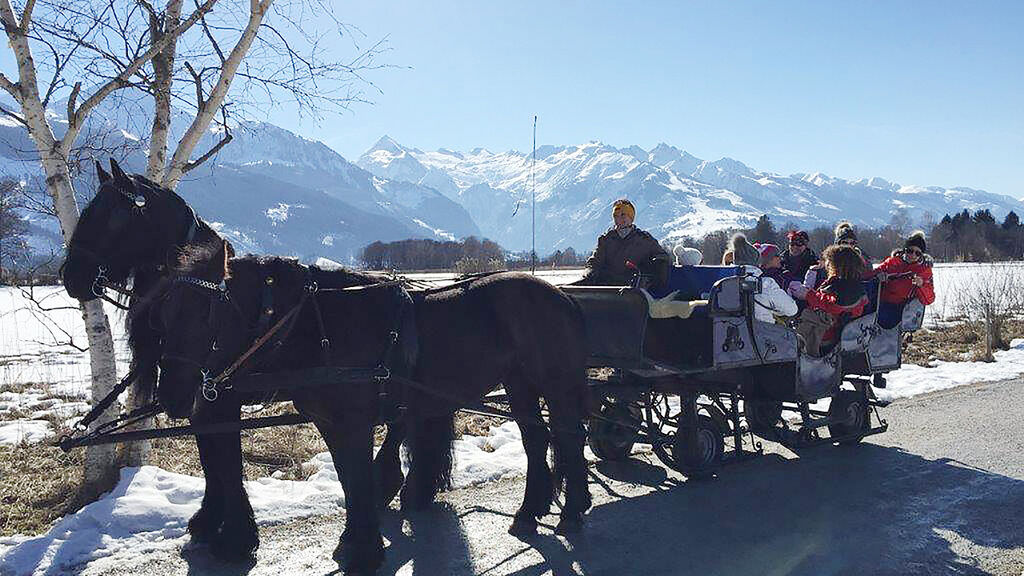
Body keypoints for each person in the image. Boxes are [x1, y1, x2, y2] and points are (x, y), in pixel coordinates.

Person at [789, 244, 869, 356]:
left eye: (829, 262)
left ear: (836, 265)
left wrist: (809, 295)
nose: (826, 265)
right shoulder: (847, 282)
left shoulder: (847, 286)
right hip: (830, 327)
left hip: (829, 332)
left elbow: (835, 305)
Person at [581, 198, 668, 285]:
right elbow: (595, 261)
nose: (619, 219)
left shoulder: (644, 239)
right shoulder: (606, 239)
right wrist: (590, 270)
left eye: (623, 215)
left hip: (634, 288)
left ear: (631, 217)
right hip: (607, 288)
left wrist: (658, 264)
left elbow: (662, 256)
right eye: (616, 216)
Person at [864, 230, 936, 327]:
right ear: (905, 250)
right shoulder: (893, 262)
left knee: (879, 317)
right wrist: (878, 276)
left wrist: (921, 285)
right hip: (880, 302)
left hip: (902, 308)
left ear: (921, 255)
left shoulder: (923, 270)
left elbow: (929, 299)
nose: (913, 255)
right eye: (910, 251)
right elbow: (870, 275)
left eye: (917, 253)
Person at [731, 234, 797, 323]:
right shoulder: (765, 284)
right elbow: (792, 309)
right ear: (756, 260)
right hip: (761, 333)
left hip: (727, 333)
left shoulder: (722, 283)